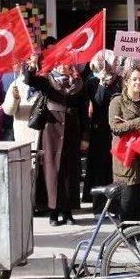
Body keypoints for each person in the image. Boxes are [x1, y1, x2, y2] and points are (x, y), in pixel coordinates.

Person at [24, 57, 84, 226]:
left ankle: (68, 211)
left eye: (68, 62)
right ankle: (53, 211)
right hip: (51, 131)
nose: (65, 65)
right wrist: (31, 66)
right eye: (62, 62)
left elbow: (83, 111)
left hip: (72, 131)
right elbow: (30, 80)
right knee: (52, 171)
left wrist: (85, 137)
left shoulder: (78, 84)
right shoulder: (48, 81)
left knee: (69, 172)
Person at [108, 67, 140, 224]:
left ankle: (136, 232)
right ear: (126, 82)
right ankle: (125, 233)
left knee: (139, 197)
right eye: (134, 79)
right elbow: (115, 127)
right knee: (127, 199)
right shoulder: (117, 102)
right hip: (126, 157)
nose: (138, 82)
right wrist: (138, 122)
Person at [84, 50, 122, 216]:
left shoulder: (120, 81)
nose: (110, 67)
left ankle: (115, 206)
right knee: (99, 170)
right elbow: (98, 101)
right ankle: (99, 207)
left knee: (114, 171)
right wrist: (102, 82)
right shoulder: (92, 82)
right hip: (100, 132)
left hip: (117, 132)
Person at [1, 62, 39, 148]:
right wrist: (15, 99)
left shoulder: (48, 81)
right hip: (25, 134)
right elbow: (8, 111)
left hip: (45, 135)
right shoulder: (17, 84)